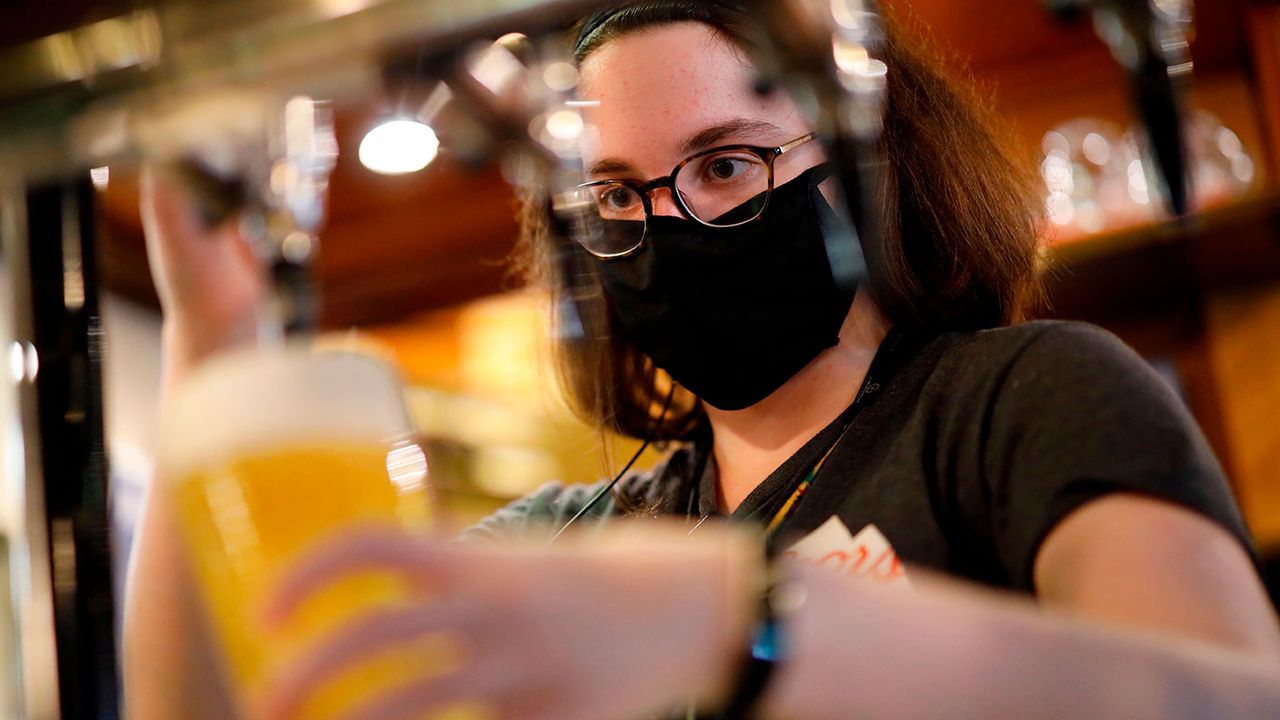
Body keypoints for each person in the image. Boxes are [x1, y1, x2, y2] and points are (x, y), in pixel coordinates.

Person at [125, 2, 1280, 719]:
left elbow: (1227, 700)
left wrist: (739, 624)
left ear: (863, 160)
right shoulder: (571, 547)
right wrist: (215, 339)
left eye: (723, 164)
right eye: (616, 194)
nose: (668, 221)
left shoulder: (1021, 402)